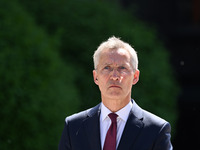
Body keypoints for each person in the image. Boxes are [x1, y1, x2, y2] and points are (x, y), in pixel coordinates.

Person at [58, 36, 173, 150]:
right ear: (96, 76)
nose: (114, 76)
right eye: (107, 68)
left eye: (122, 68)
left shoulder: (156, 130)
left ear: (135, 76)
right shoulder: (73, 126)